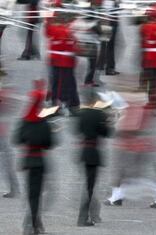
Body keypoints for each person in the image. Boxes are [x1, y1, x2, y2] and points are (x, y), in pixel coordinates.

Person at [14, 80, 55, 235]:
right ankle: (33, 223)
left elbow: (17, 140)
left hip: (27, 161)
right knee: (37, 194)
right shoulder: (44, 123)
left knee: (31, 193)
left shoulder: (25, 121)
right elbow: (50, 144)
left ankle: (33, 222)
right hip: (39, 161)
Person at [76, 88, 111, 226]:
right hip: (94, 153)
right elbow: (107, 133)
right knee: (90, 187)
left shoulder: (81, 114)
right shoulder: (99, 115)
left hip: (84, 151)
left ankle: (94, 214)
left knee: (88, 185)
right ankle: (83, 217)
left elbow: (77, 130)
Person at [45, 12, 80, 114]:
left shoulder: (57, 28)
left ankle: (60, 103)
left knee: (60, 83)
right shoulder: (68, 28)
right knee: (65, 83)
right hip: (63, 61)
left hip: (60, 61)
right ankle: (70, 103)